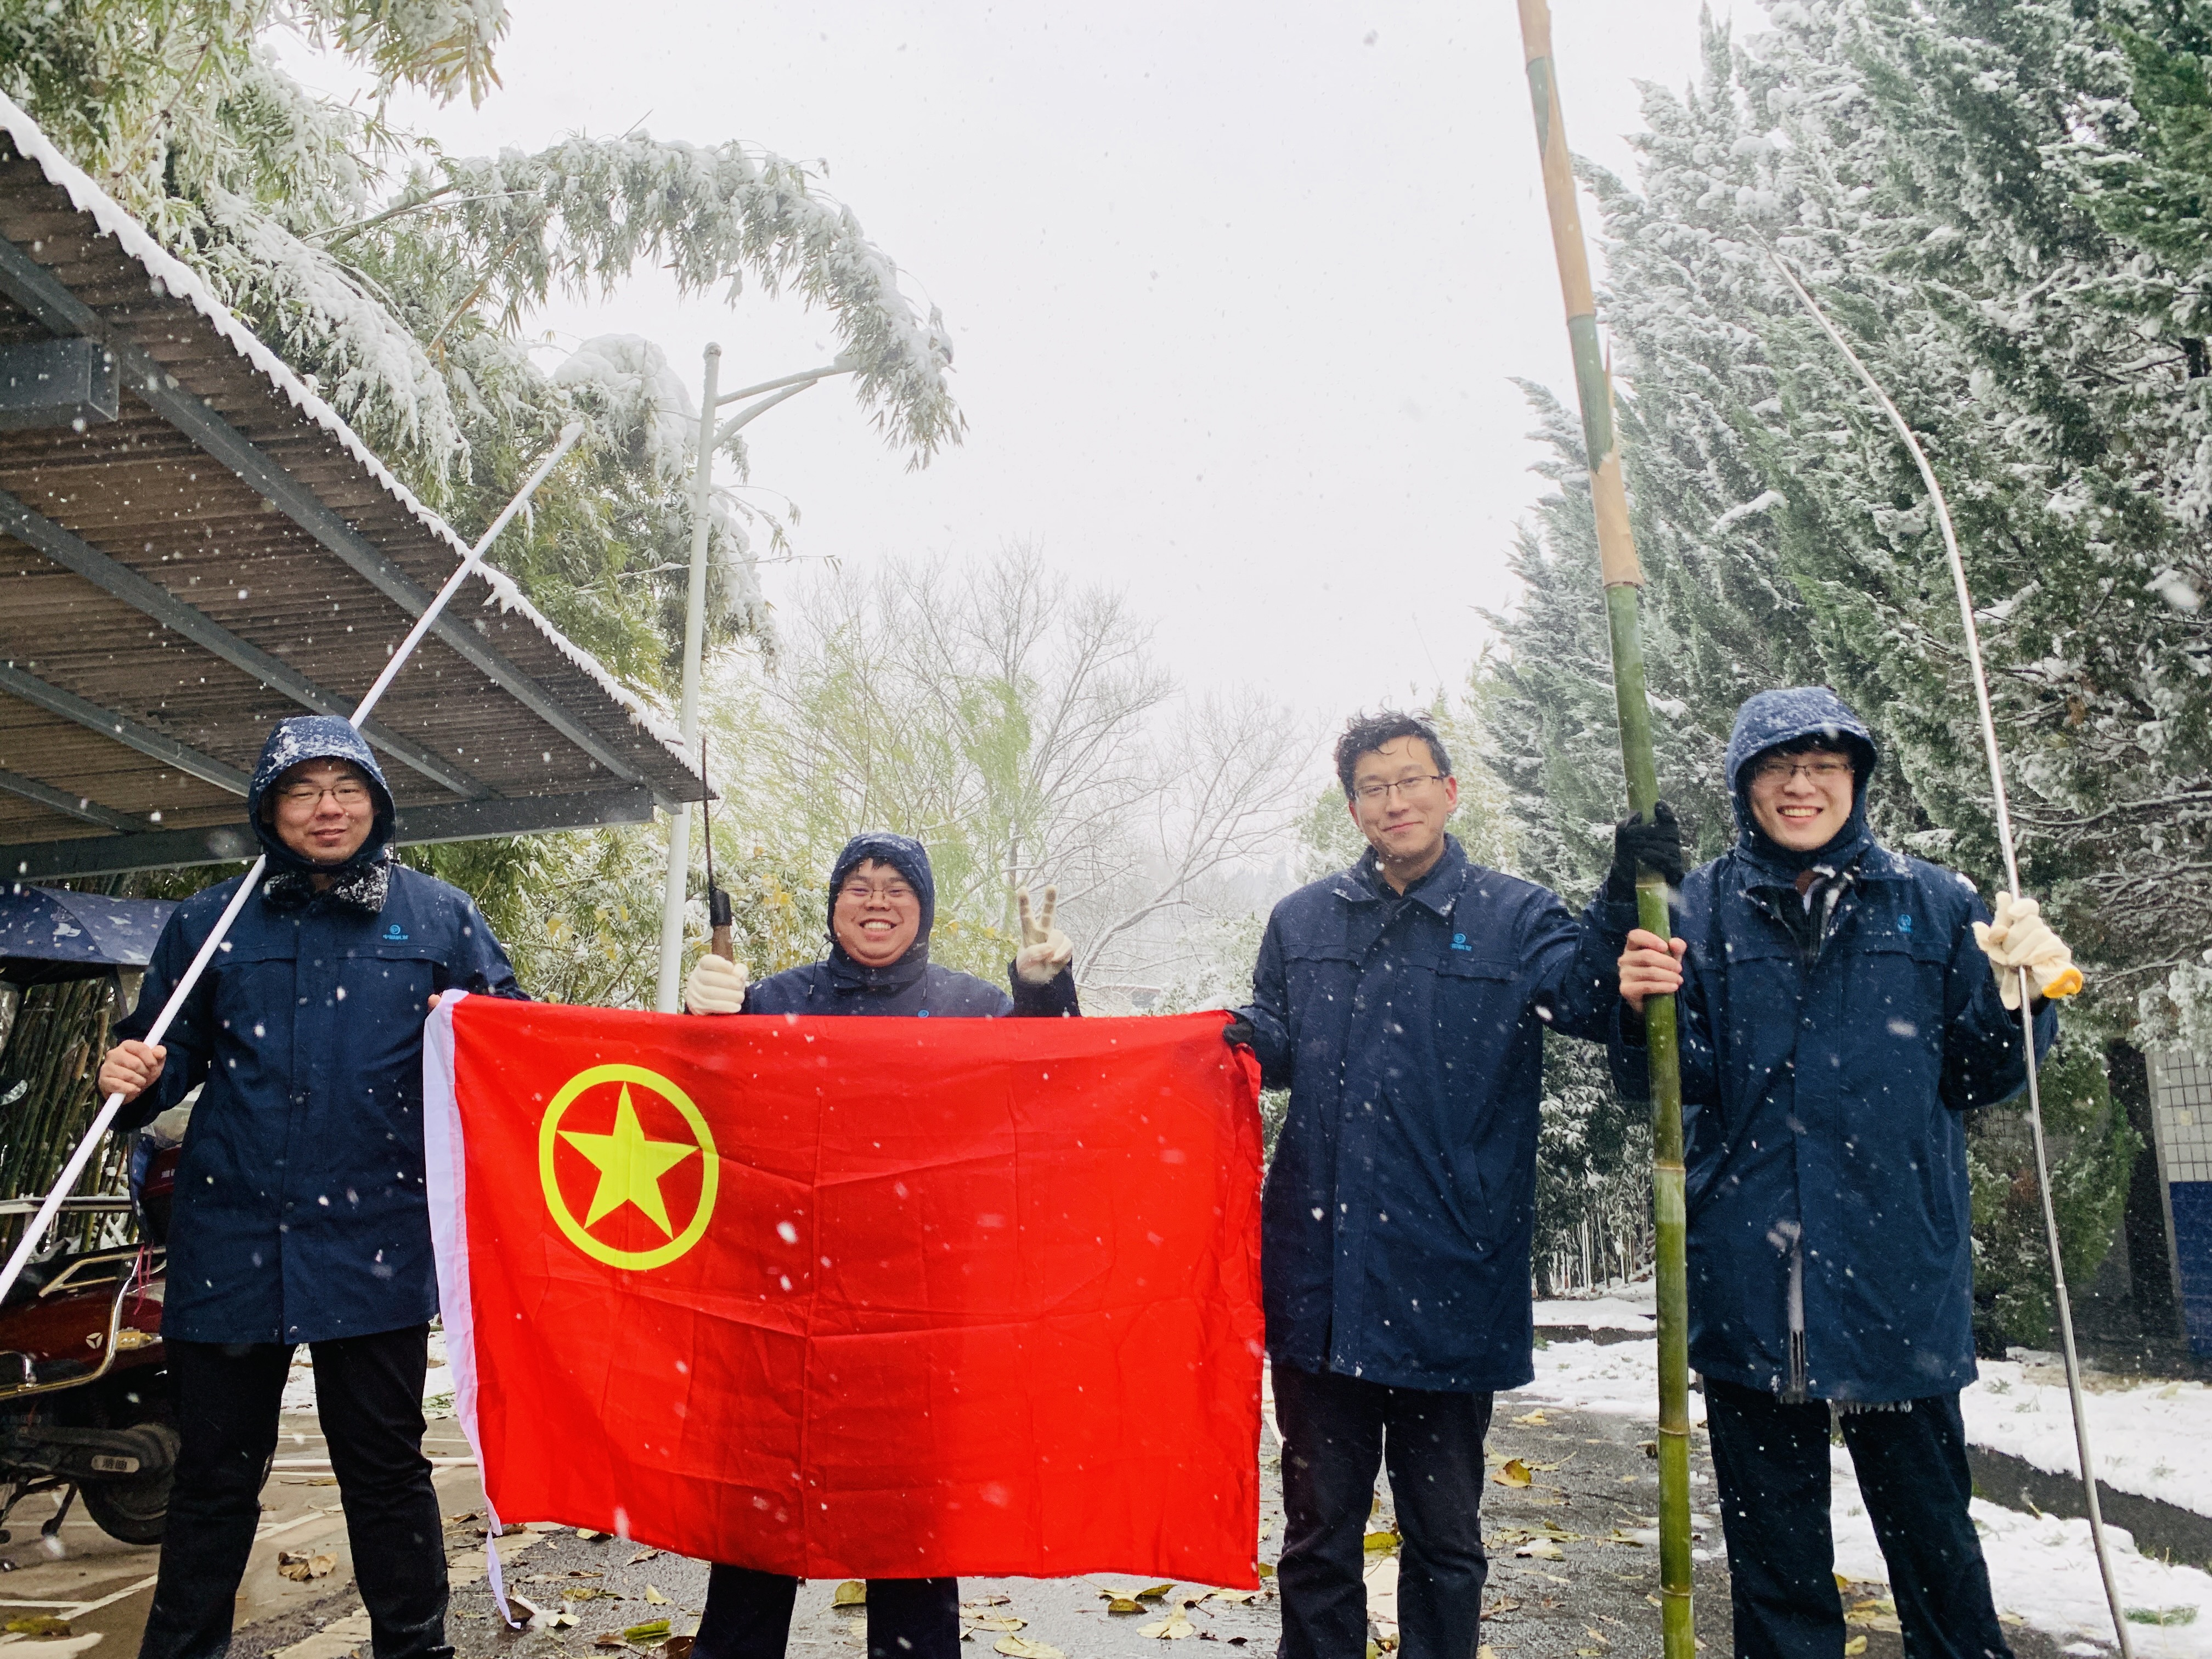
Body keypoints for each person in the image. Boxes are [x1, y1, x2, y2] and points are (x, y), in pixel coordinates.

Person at [1609, 687, 2077, 1659]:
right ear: (1746, 788)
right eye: (1776, 768)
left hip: (1892, 1278)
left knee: (1938, 1555)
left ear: (1856, 779)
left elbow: (1981, 1075)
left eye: (1824, 766)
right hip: (1750, 1284)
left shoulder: (1935, 904)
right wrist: (1635, 981)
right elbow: (1665, 1082)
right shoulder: (1695, 910)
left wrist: (2025, 1000)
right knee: (1779, 1573)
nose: (1800, 786)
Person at [97, 715, 526, 1659]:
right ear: (269, 808)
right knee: (212, 1474)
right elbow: (165, 1059)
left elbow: (514, 1055)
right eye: (303, 790)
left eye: (346, 788)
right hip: (230, 1238)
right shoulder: (209, 922)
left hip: (373, 1237)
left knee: (383, 1469)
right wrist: (128, 1076)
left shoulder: (441, 917)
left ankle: (414, 1648)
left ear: (376, 801)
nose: (326, 809)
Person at [1228, 711, 1627, 1659]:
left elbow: (1593, 998)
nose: (1394, 801)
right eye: (1373, 787)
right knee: (1318, 1536)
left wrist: (1624, 893)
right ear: (1353, 808)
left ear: (1450, 790)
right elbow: (1270, 1048)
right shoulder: (1304, 920)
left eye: (1411, 781)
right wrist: (1201, 1035)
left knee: (1445, 1541)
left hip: (1451, 1278)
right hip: (1320, 1284)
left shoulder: (1515, 915)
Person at [680, 830, 1079, 1659]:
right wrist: (703, 1018)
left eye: (897, 886)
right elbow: (704, 1113)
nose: (876, 900)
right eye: (858, 885)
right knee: (761, 1523)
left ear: (924, 909)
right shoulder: (775, 1001)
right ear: (833, 906)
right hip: (783, 1309)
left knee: (911, 1534)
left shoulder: (975, 1008)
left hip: (918, 1317)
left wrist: (1044, 993)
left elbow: (1047, 1089)